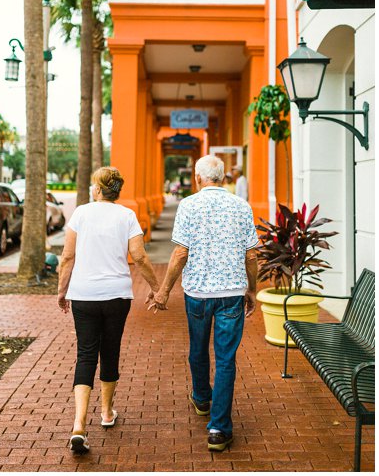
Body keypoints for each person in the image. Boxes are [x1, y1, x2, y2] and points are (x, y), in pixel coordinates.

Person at [147, 155, 259, 452]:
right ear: (222, 178)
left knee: (198, 349)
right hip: (232, 292)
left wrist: (163, 292)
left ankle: (201, 398)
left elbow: (180, 253)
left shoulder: (188, 205)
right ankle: (219, 429)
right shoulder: (241, 206)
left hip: (197, 292)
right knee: (225, 359)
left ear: (198, 178)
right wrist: (253, 289)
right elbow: (251, 255)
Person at [57, 167, 160, 454]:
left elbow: (67, 256)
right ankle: (105, 413)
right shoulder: (126, 215)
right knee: (110, 350)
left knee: (86, 354)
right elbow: (138, 256)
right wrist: (157, 287)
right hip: (116, 296)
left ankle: (78, 425)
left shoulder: (81, 213)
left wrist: (61, 292)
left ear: (99, 189)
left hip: (84, 295)